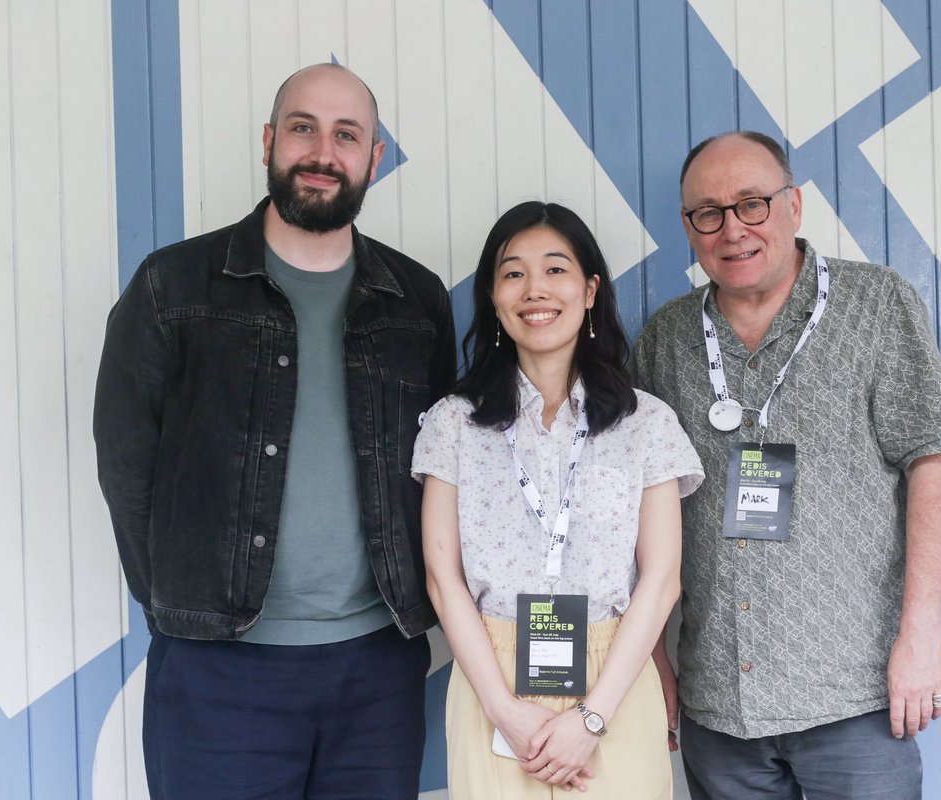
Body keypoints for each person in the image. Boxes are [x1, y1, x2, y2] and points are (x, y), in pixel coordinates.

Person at [93, 63, 455, 799]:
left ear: (374, 158)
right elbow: (126, 463)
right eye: (303, 128)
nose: (323, 152)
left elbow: (443, 469)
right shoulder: (173, 288)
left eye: (347, 135)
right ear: (269, 141)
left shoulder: (415, 301)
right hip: (219, 671)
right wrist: (180, 603)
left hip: (377, 670)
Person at [632, 131, 941, 799]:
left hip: (855, 695)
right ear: (688, 227)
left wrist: (921, 636)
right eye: (709, 212)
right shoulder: (666, 341)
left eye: (752, 204)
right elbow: (633, 513)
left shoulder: (875, 305)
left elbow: (932, 464)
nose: (732, 229)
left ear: (793, 204)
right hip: (719, 702)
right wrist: (654, 662)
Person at [412, 201, 703, 798]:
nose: (534, 289)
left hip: (614, 680)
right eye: (513, 272)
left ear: (590, 289)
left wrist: (591, 718)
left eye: (555, 269)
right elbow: (444, 578)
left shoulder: (646, 423)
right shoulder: (453, 424)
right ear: (493, 296)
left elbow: (662, 578)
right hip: (491, 679)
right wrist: (503, 709)